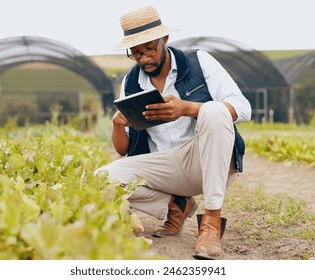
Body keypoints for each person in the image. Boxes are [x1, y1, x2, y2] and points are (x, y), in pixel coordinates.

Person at [96, 6, 252, 259]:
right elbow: (123, 150)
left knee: (213, 111)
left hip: (205, 159)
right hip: (167, 166)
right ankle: (177, 204)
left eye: (149, 49)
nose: (144, 58)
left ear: (164, 40)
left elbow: (244, 108)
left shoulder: (199, 61)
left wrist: (188, 109)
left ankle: (211, 222)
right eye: (135, 53)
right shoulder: (131, 82)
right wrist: (117, 124)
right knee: (101, 178)